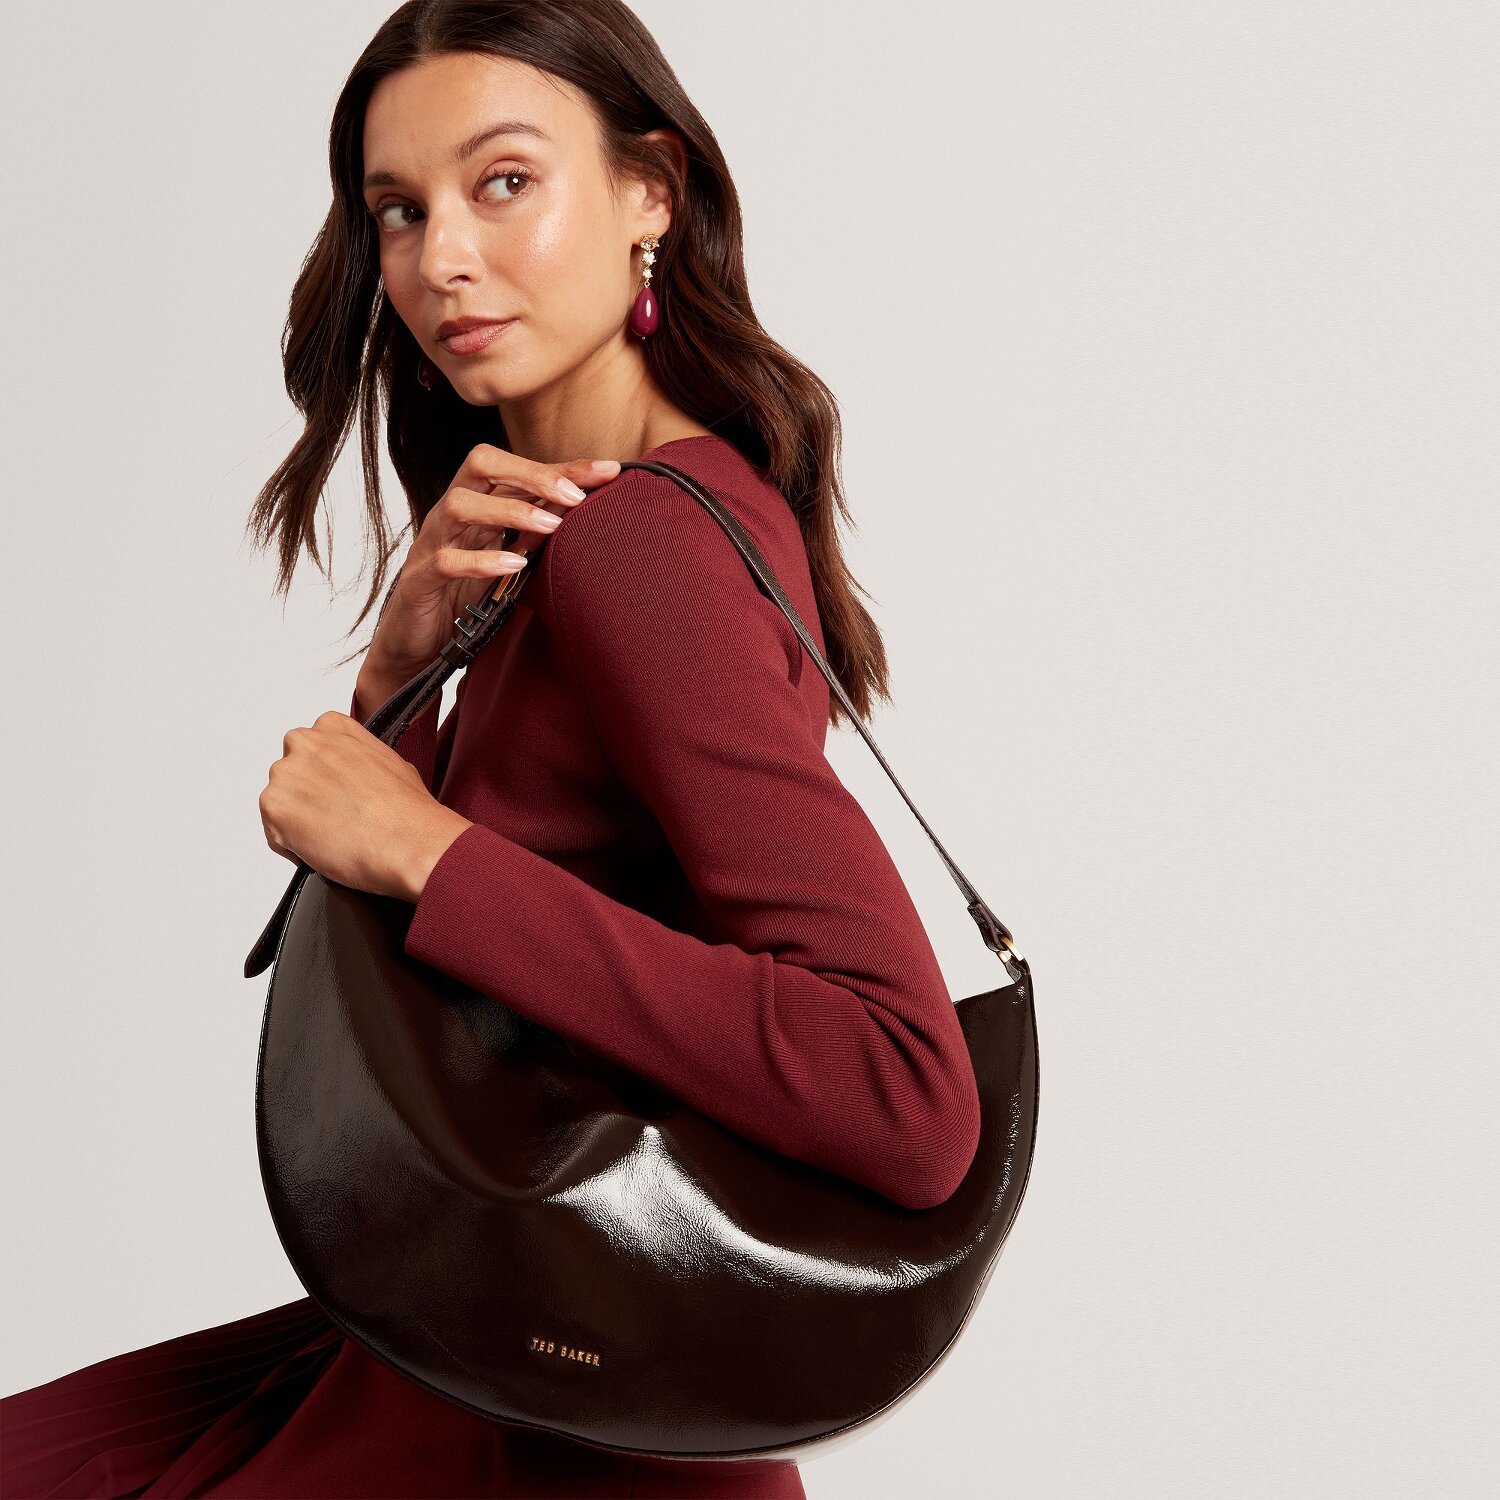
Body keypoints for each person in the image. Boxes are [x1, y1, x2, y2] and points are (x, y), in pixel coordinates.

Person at [0, 2, 983, 1495]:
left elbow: (901, 1089)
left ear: (651, 191)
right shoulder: (600, 518)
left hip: (545, 1417)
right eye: (399, 209)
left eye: (503, 181)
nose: (440, 257)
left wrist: (426, 848)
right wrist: (400, 686)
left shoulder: (644, 543)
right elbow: (474, 971)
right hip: (522, 1348)